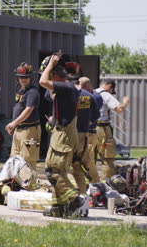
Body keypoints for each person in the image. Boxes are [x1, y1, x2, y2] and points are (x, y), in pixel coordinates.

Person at [39, 55, 84, 218]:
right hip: (62, 132)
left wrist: (49, 65)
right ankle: (58, 207)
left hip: (64, 133)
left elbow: (43, 82)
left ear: (55, 76)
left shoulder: (67, 87)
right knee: (58, 171)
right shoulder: (66, 88)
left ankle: (73, 198)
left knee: (54, 170)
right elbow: (47, 92)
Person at [5, 62, 42, 191]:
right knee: (14, 159)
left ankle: (29, 189)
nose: (23, 79)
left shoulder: (32, 92)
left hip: (30, 130)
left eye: (26, 77)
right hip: (19, 129)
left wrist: (13, 123)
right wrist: (15, 126)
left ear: (30, 78)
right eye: (21, 77)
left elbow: (29, 109)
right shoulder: (21, 91)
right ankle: (17, 186)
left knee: (28, 161)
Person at [68, 75, 100, 195]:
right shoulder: (88, 95)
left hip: (70, 133)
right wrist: (88, 122)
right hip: (84, 133)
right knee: (82, 162)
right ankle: (88, 189)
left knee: (68, 162)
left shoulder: (68, 94)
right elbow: (96, 114)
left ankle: (72, 190)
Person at [94, 78, 130, 179]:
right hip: (102, 129)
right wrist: (125, 103)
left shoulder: (92, 92)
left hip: (90, 129)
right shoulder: (105, 94)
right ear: (109, 86)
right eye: (112, 90)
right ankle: (106, 183)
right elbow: (118, 109)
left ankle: (91, 183)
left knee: (90, 158)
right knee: (107, 157)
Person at [79, 77, 103, 181]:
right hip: (83, 132)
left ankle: (95, 182)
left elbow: (94, 114)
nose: (81, 89)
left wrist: (86, 122)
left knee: (89, 159)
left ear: (87, 85)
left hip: (90, 133)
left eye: (82, 86)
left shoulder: (96, 97)